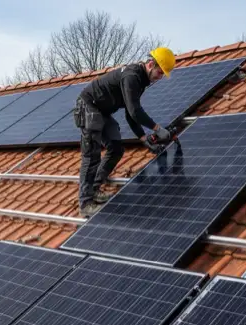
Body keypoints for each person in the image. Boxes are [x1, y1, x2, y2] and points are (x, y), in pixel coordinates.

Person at [73, 46, 176, 217]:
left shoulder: (141, 81)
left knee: (116, 148)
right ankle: (85, 203)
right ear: (151, 64)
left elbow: (130, 114)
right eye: (159, 73)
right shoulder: (132, 76)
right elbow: (135, 111)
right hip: (88, 106)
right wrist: (157, 128)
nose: (159, 78)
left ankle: (94, 187)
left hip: (102, 112)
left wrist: (144, 139)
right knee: (91, 155)